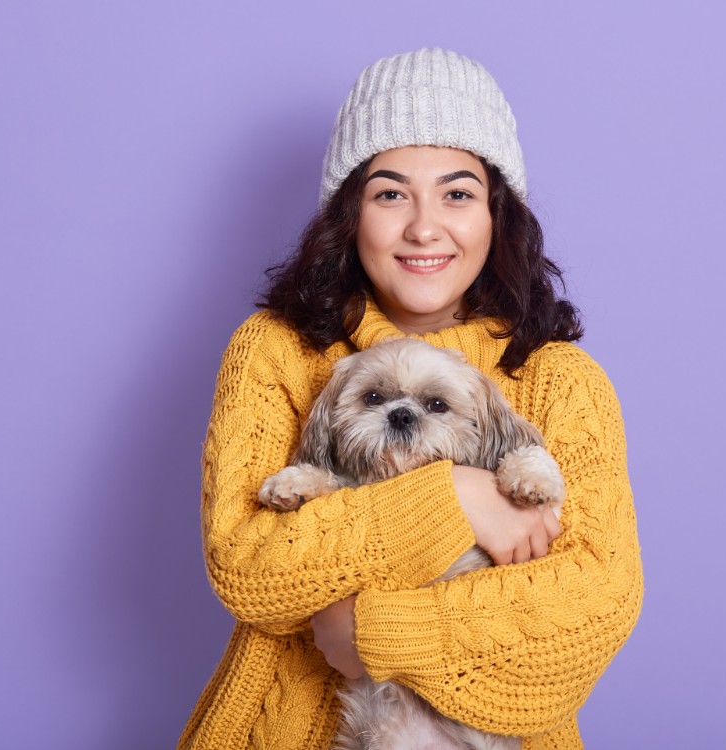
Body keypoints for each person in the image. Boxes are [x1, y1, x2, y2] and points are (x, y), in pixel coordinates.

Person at [178, 48, 643, 750]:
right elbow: (246, 566)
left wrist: (370, 630)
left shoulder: (563, 380)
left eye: (457, 193)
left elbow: (592, 604)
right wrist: (453, 498)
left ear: (497, 215)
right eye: (391, 193)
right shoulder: (274, 350)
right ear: (350, 213)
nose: (424, 227)